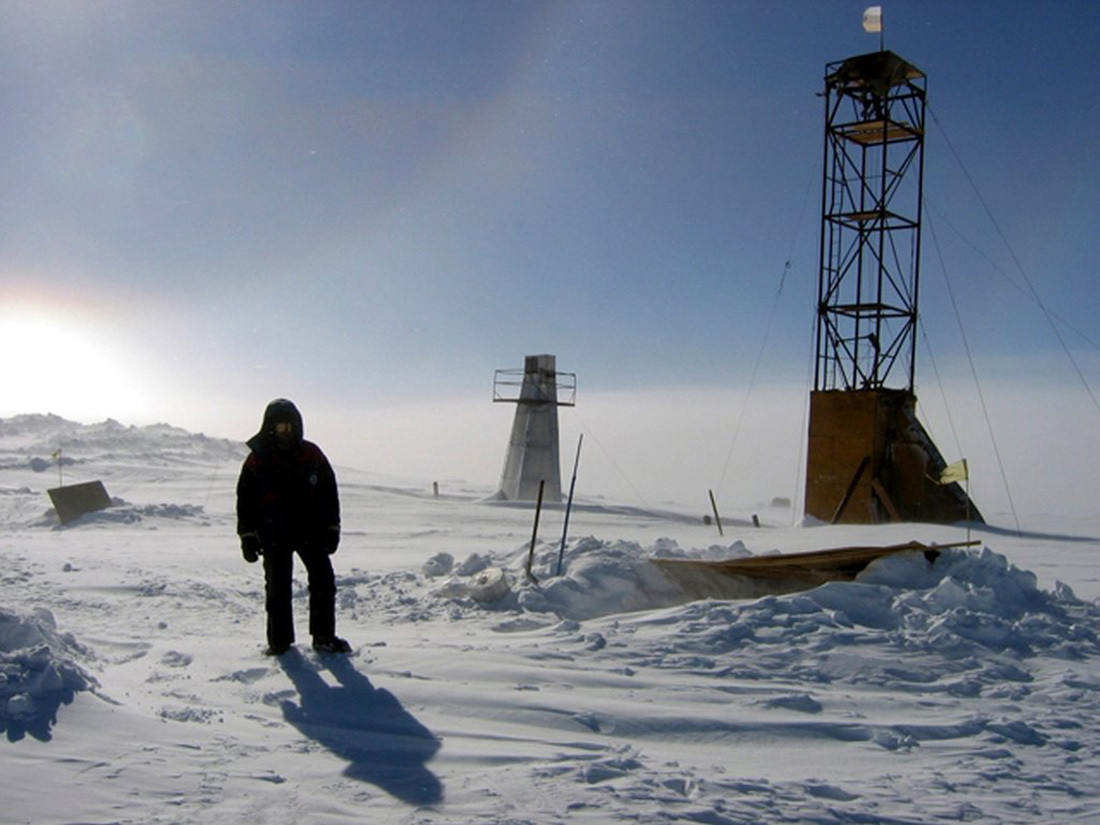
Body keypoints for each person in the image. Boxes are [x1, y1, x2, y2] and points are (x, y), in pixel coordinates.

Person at [236, 398, 351, 655]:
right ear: (270, 428)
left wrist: (333, 529)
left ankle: (323, 637)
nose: (285, 432)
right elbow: (245, 500)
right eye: (280, 427)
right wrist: (247, 536)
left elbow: (329, 494)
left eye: (289, 426)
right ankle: (279, 642)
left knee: (324, 582)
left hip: (311, 531)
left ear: (298, 426)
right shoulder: (257, 460)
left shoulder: (312, 454)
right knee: (277, 587)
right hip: (273, 533)